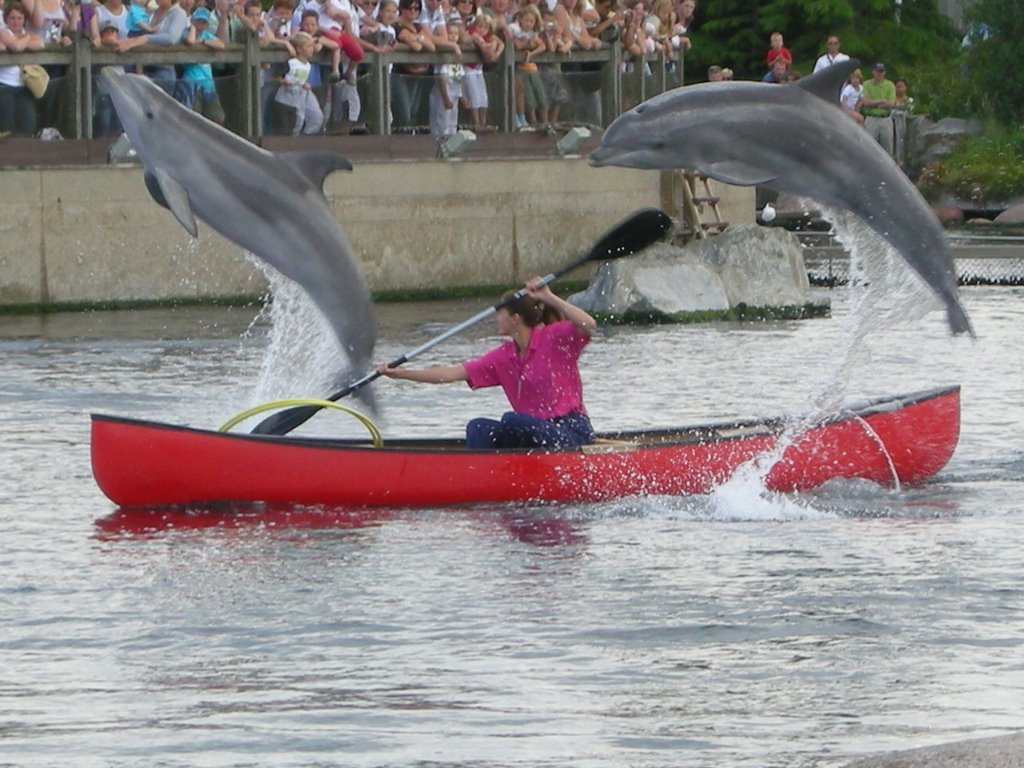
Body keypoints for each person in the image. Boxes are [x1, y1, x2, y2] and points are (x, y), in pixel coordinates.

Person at [376, 278, 598, 450]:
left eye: (499, 314)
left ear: (515, 319)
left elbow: (588, 323)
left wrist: (548, 296)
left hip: (571, 431)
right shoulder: (504, 357)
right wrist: (400, 374)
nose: (496, 319)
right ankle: (489, 476)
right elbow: (452, 373)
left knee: (512, 420)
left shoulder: (554, 338)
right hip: (533, 434)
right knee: (478, 427)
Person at [0, 2, 44, 138]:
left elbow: (40, 44)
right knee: (6, 122)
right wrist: (25, 40)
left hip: (23, 85)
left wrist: (23, 39)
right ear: (6, 19)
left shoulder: (27, 33)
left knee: (29, 122)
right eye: (12, 18)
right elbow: (16, 47)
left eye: (20, 18)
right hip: (4, 85)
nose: (16, 22)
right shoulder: (3, 32)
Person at [274, 30, 325, 134]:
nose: (311, 49)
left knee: (315, 118)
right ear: (299, 49)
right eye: (308, 46)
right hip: (287, 98)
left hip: (301, 94)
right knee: (293, 122)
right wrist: (285, 81)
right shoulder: (291, 63)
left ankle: (304, 137)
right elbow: (276, 77)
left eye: (312, 46)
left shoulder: (308, 65)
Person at [182, 7, 226, 124]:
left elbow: (221, 45)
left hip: (208, 83)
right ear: (193, 20)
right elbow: (190, 41)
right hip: (192, 82)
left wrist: (203, 42)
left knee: (218, 118)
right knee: (193, 118)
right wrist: (193, 27)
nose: (200, 24)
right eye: (198, 20)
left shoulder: (207, 36)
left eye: (204, 22)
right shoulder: (186, 32)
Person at [858, 62, 896, 156]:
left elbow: (891, 103)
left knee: (887, 149)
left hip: (885, 119)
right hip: (871, 119)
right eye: (877, 71)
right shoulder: (866, 84)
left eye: (881, 72)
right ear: (873, 72)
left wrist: (873, 103)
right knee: (868, 148)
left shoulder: (890, 85)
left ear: (884, 73)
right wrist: (881, 101)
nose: (879, 74)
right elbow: (866, 102)